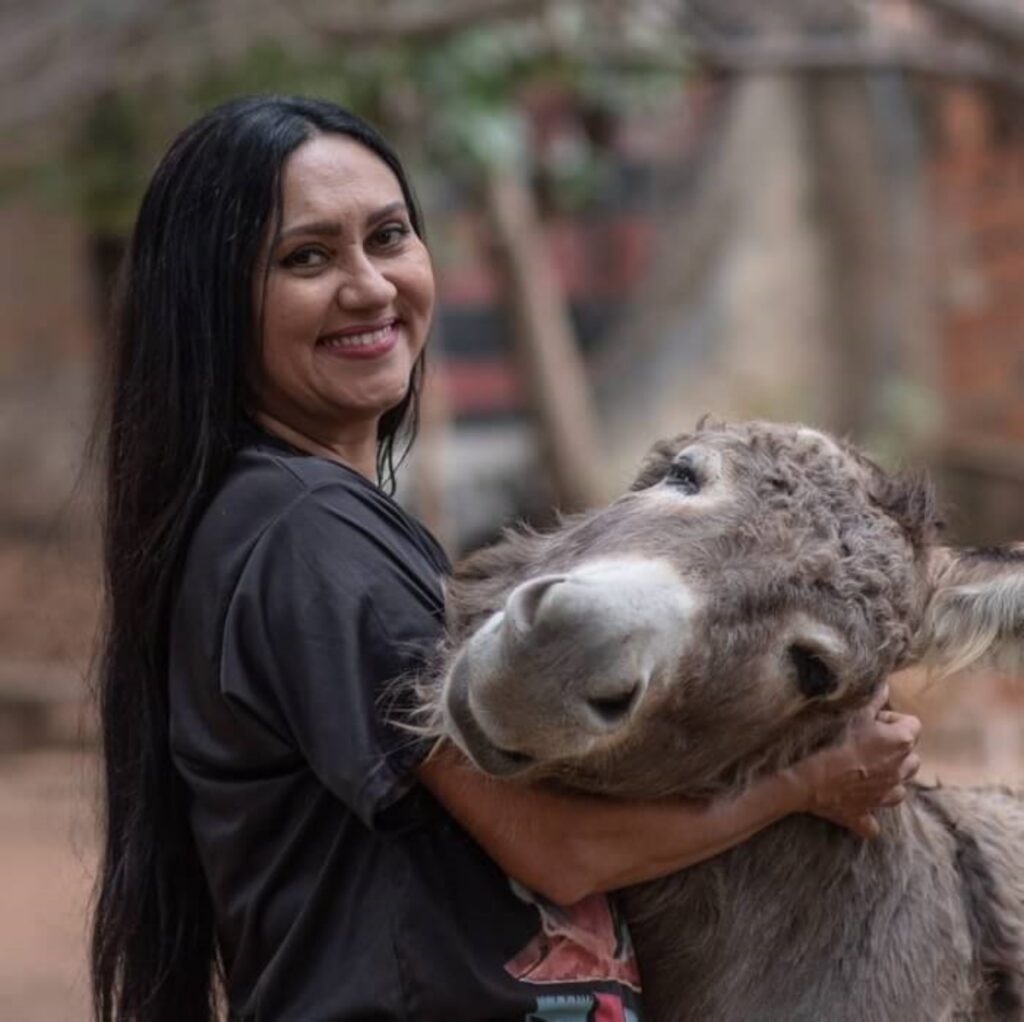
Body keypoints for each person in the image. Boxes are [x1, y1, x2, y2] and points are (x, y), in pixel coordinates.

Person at [90, 95, 921, 1022]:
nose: (369, 287)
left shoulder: (310, 520)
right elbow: (546, 850)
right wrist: (806, 784)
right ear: (212, 299)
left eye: (390, 236)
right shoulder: (303, 534)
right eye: (307, 258)